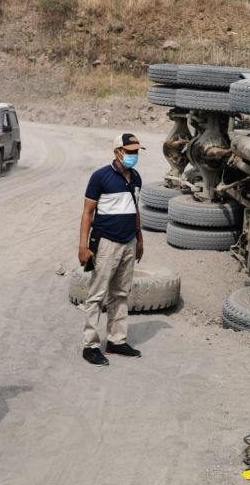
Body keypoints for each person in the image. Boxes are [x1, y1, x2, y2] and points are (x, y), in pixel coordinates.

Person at [78, 133, 145, 367]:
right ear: (117, 152)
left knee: (120, 293)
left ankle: (117, 340)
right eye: (130, 152)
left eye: (136, 152)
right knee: (97, 295)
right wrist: (83, 246)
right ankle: (91, 345)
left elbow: (135, 209)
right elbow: (87, 213)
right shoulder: (100, 177)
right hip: (106, 243)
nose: (134, 156)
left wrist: (139, 238)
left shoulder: (135, 178)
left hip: (128, 242)